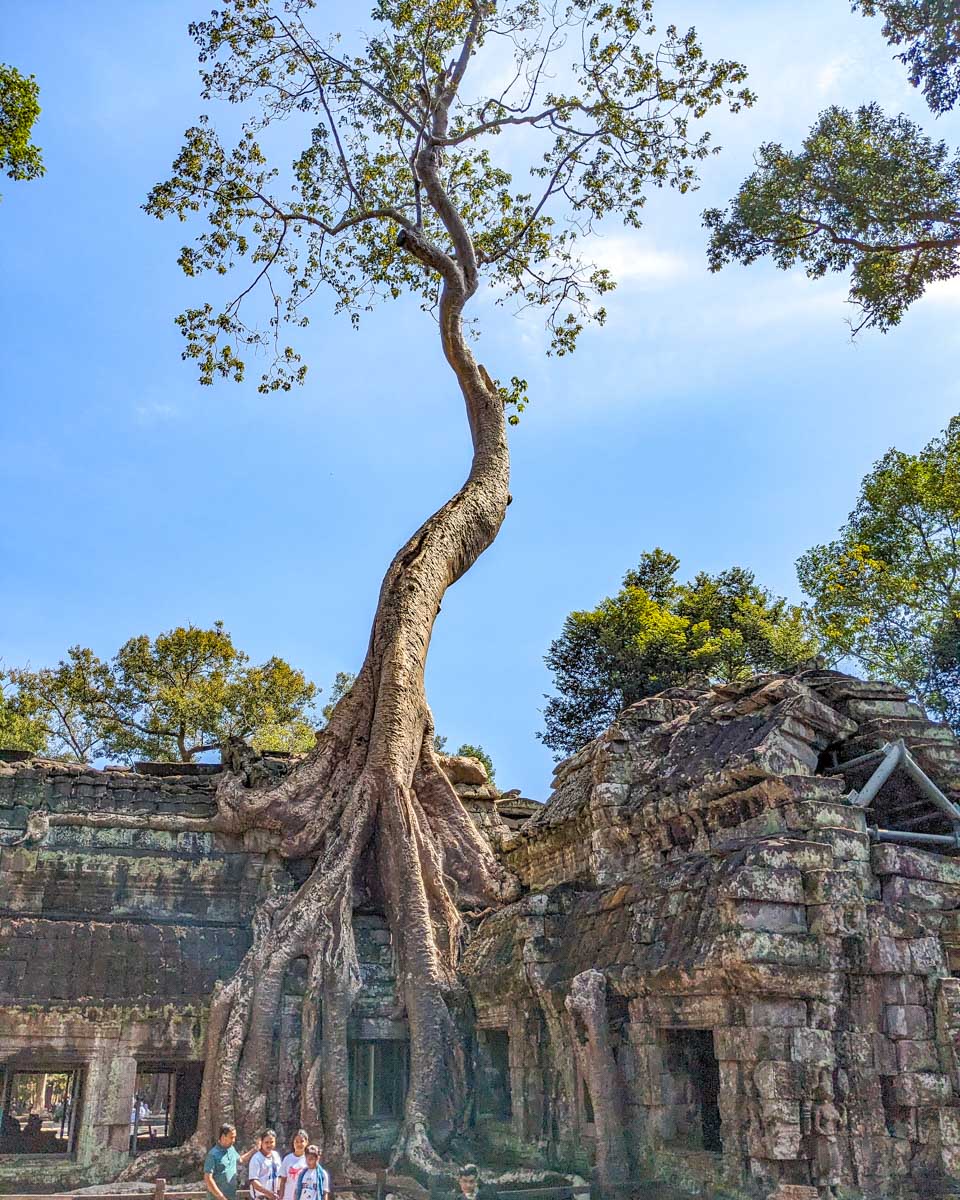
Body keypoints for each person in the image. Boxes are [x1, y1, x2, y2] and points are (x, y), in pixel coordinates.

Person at [204, 1122, 258, 1200]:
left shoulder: (231, 1149)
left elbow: (241, 1160)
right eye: (231, 1137)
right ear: (223, 1136)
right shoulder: (212, 1155)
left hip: (232, 1196)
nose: (234, 1140)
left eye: (234, 1137)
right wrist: (221, 1197)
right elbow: (208, 1178)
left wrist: (254, 1150)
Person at [248, 1129, 283, 1200]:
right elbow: (254, 1181)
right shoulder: (256, 1158)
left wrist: (279, 1192)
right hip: (261, 1197)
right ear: (262, 1142)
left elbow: (279, 1176)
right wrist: (268, 1193)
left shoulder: (276, 1156)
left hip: (274, 1196)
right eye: (266, 1142)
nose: (269, 1145)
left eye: (272, 1142)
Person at [278, 1129, 309, 1200]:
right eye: (296, 1142)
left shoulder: (309, 1159)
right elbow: (283, 1181)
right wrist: (281, 1197)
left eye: (302, 1141)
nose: (299, 1144)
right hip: (288, 1197)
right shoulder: (287, 1159)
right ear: (293, 1143)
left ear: (306, 1142)